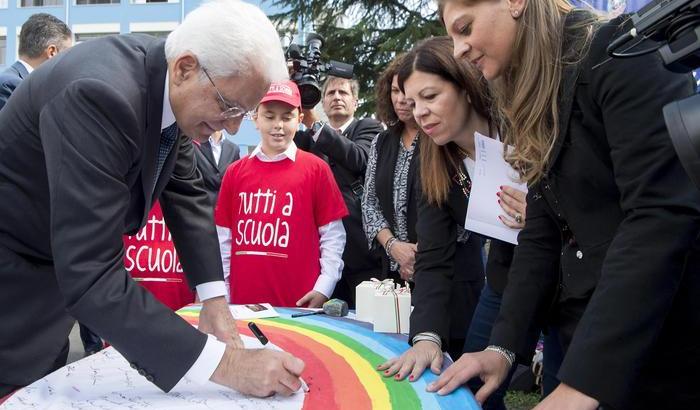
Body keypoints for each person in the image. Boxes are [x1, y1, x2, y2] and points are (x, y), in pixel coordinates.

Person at [0, 0, 306, 399]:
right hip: (13, 285)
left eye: (244, 113)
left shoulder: (167, 84)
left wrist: (214, 301)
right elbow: (92, 274)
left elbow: (187, 191)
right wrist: (227, 365)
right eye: (229, 106)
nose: (231, 126)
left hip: (50, 284)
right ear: (185, 68)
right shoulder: (99, 95)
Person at [431, 1, 700, 409]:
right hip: (581, 338)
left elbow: (659, 217)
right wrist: (502, 348)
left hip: (662, 346)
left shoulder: (623, 53)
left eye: (465, 28)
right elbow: (543, 228)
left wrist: (583, 385)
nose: (459, 50)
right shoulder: (538, 93)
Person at [375, 37, 525, 409]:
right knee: (469, 387)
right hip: (506, 278)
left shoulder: (522, 128)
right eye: (412, 104)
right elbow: (434, 257)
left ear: (466, 85)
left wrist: (537, 214)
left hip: (570, 279)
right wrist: (427, 338)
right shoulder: (436, 161)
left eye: (430, 96)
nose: (420, 112)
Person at [215, 80, 348, 308]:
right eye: (269, 116)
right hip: (242, 304)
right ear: (255, 118)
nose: (278, 125)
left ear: (300, 119)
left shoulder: (317, 170)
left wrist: (323, 287)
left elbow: (333, 236)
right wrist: (223, 294)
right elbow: (223, 240)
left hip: (299, 305)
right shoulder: (234, 173)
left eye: (287, 117)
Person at [295, 76, 384, 306]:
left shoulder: (368, 127)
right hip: (321, 255)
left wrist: (315, 124)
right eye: (330, 93)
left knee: (366, 326)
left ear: (355, 102)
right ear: (322, 103)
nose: (336, 97)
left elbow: (359, 158)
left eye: (343, 93)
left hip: (361, 253)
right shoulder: (305, 139)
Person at [362, 54, 420, 285]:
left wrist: (415, 256)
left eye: (406, 91)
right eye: (395, 91)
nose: (401, 99)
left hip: (444, 270)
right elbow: (369, 204)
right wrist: (394, 246)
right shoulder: (382, 141)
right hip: (393, 271)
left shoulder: (442, 139)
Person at [0, 13, 72, 111]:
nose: (68, 60)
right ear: (51, 52)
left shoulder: (25, 83)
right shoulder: (12, 85)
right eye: (67, 53)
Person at [194, 130, 241, 208]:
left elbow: (234, 182)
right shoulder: (195, 144)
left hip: (225, 208)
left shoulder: (234, 149)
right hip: (200, 207)